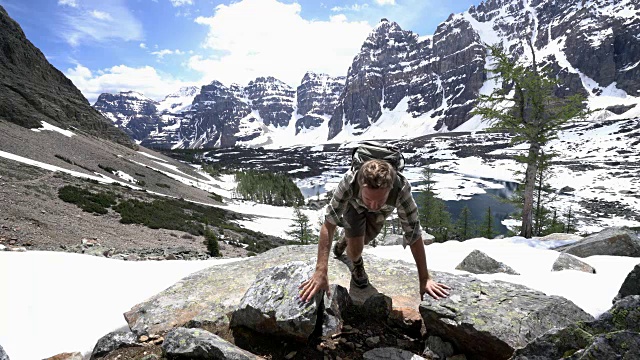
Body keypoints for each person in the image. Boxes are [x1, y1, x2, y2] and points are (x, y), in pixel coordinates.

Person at [299, 159, 450, 302]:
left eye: (379, 199)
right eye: (368, 199)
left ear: (390, 189)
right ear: (360, 185)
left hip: (381, 213)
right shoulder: (349, 182)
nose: (372, 205)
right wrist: (321, 271)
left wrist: (425, 279)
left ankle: (346, 239)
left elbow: (414, 234)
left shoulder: (401, 189)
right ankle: (357, 263)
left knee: (364, 239)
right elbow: (329, 223)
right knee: (356, 250)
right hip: (354, 208)